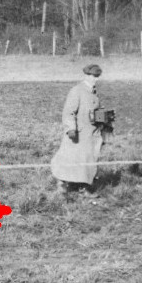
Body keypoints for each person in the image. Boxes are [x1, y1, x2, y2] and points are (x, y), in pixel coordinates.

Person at [50, 63, 106, 194]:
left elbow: (95, 111)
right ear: (86, 76)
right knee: (69, 158)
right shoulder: (77, 90)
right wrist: (71, 129)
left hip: (91, 134)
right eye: (93, 76)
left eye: (98, 76)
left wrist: (104, 118)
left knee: (88, 160)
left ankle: (83, 186)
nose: (96, 79)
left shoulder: (94, 93)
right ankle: (62, 184)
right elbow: (69, 111)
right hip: (77, 134)